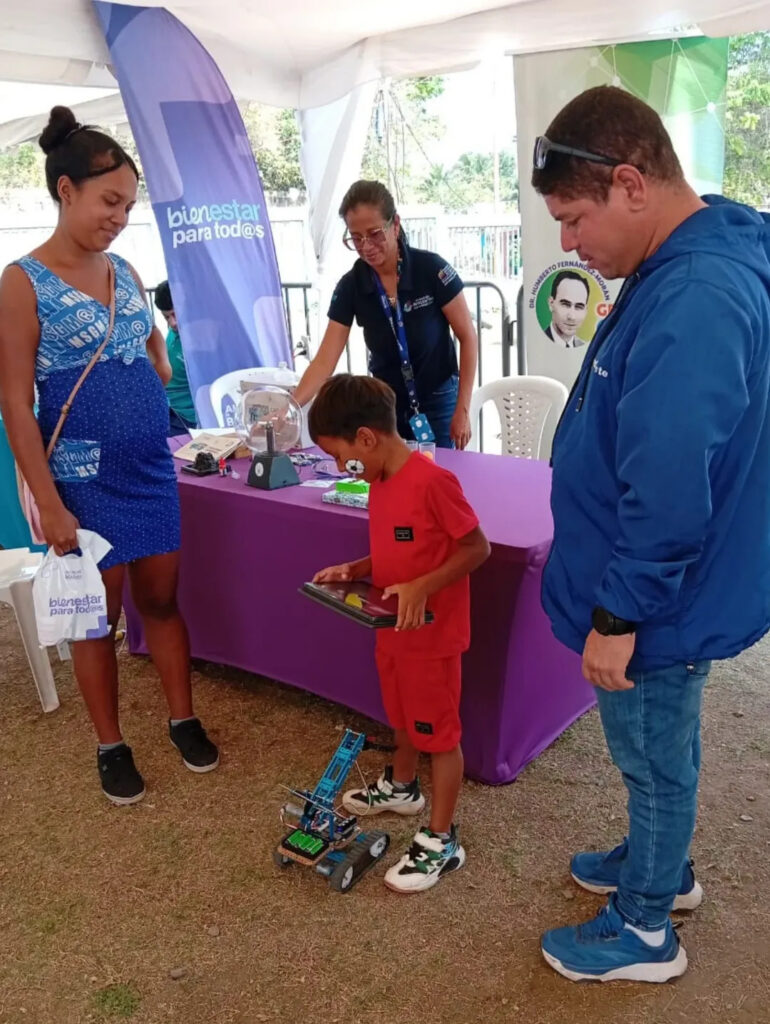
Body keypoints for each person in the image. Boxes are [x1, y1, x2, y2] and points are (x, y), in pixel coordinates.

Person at [532, 85, 770, 982]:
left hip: (655, 599)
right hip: (665, 587)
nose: (569, 243)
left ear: (631, 183)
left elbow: (669, 480)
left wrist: (618, 615)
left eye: (574, 217)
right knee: (660, 745)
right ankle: (660, 866)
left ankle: (643, 931)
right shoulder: (685, 259)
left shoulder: (696, 290)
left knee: (652, 754)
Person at [0, 106, 219, 806]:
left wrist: (151, 375)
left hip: (149, 468)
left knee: (162, 598)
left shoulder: (125, 270)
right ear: (66, 190)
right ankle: (110, 744)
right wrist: (50, 504)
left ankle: (182, 718)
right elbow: (15, 403)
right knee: (98, 617)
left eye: (128, 205)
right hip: (80, 480)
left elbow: (153, 351)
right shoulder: (22, 281)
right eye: (109, 201)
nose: (120, 217)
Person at [310, 375, 490, 892]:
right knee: (401, 714)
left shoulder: (433, 482)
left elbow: (477, 548)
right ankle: (403, 786)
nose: (339, 468)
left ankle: (442, 839)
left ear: (366, 438)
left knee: (439, 734)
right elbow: (396, 546)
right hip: (390, 629)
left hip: (432, 637)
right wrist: (356, 567)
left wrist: (423, 586)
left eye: (339, 456)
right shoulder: (378, 480)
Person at [293, 180, 478, 449]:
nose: (366, 246)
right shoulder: (351, 285)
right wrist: (291, 407)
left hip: (438, 399)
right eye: (356, 238)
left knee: (439, 471)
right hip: (385, 406)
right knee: (390, 473)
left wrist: (463, 409)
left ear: (395, 225)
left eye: (374, 234)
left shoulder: (431, 270)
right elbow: (324, 361)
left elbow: (468, 337)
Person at [153, 280, 198, 435]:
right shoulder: (177, 330)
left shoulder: (200, 338)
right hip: (167, 407)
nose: (172, 323)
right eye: (166, 317)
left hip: (186, 418)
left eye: (175, 314)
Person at [544, 270, 589, 347]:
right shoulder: (536, 341)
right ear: (551, 303)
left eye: (579, 307)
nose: (572, 317)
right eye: (565, 305)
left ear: (585, 310)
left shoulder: (587, 347)